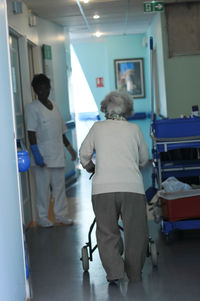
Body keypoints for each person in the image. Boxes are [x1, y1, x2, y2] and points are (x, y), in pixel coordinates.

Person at [79, 91, 149, 284]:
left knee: (107, 231)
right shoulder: (134, 129)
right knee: (136, 231)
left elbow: (84, 154)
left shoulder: (97, 128)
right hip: (132, 188)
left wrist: (91, 167)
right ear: (127, 109)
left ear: (105, 108)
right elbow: (144, 158)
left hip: (103, 189)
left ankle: (114, 272)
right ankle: (134, 273)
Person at [25, 74, 77, 227]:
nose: (43, 91)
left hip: (57, 154)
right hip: (42, 156)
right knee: (43, 190)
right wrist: (36, 154)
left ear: (49, 88)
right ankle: (42, 217)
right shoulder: (32, 108)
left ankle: (61, 215)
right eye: (39, 89)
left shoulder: (54, 106)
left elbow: (60, 131)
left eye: (45, 88)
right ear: (35, 90)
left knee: (59, 187)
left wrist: (70, 149)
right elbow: (31, 132)